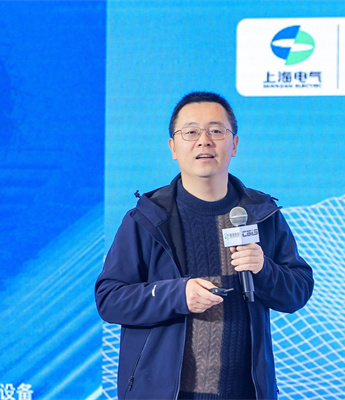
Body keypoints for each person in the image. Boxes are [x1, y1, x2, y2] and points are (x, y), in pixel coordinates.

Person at [95, 92, 314, 400]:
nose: (204, 141)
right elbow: (109, 299)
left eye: (216, 131)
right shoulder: (148, 219)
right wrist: (177, 295)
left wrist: (264, 269)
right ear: (173, 147)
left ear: (234, 144)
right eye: (191, 132)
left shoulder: (261, 215)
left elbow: (298, 291)